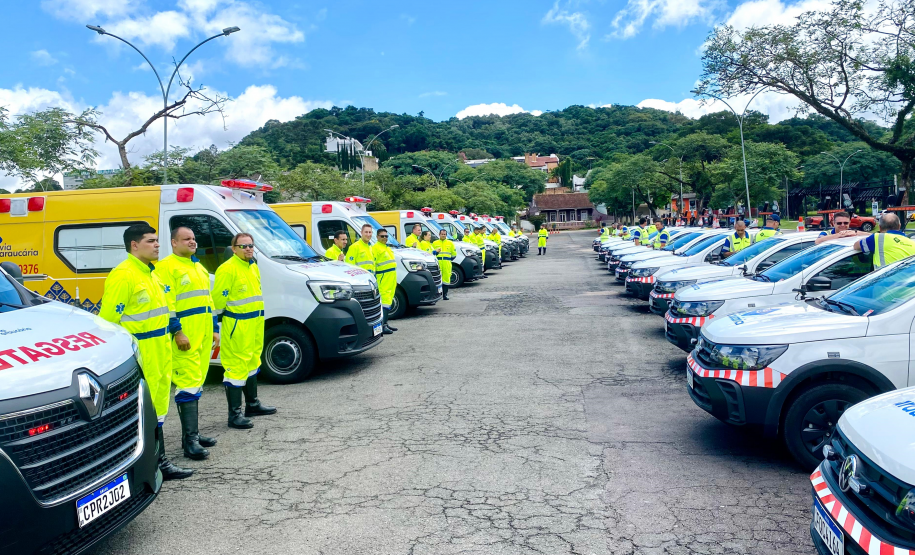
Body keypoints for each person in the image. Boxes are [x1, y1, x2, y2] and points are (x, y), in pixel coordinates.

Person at [100, 224, 193, 480]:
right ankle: (149, 466)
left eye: (156, 240)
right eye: (151, 241)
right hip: (143, 353)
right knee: (144, 409)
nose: (157, 245)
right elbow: (108, 323)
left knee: (159, 407)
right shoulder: (124, 275)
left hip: (161, 350)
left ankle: (159, 461)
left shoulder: (153, 274)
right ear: (134, 245)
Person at [155, 227, 219, 461]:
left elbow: (208, 301)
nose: (192, 242)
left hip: (201, 335)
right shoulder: (166, 268)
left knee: (197, 382)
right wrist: (177, 332)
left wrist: (214, 329)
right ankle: (189, 442)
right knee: (188, 382)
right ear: (174, 242)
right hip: (185, 337)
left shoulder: (197, 266)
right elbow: (168, 304)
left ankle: (193, 433)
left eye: (193, 238)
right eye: (186, 239)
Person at [213, 233, 276, 430]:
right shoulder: (227, 269)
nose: (248, 249)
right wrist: (215, 327)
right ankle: (234, 415)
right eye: (243, 246)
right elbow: (217, 302)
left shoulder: (252, 266)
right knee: (236, 367)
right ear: (234, 249)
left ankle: (253, 405)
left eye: (251, 245)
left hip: (254, 324)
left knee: (252, 362)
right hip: (237, 327)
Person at [821, 213, 915, 269]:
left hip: (884, 288)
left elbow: (856, 246)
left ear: (880, 227)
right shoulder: (912, 243)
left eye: (845, 222)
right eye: (839, 223)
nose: (842, 225)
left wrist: (854, 233)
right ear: (899, 226)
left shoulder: (877, 238)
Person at [372, 229, 398, 334]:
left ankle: (386, 324)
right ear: (377, 237)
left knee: (389, 300)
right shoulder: (375, 248)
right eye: (382, 236)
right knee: (385, 301)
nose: (385, 238)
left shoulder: (387, 248)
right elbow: (373, 264)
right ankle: (382, 326)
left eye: (386, 236)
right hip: (383, 278)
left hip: (391, 278)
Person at [432, 228, 455, 300]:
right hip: (438, 263)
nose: (443, 235)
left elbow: (454, 254)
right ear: (439, 235)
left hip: (447, 264)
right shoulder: (435, 243)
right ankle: (437, 295)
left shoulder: (450, 243)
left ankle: (445, 295)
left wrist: (448, 260)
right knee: (437, 279)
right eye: (442, 234)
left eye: (444, 234)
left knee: (446, 279)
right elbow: (432, 253)